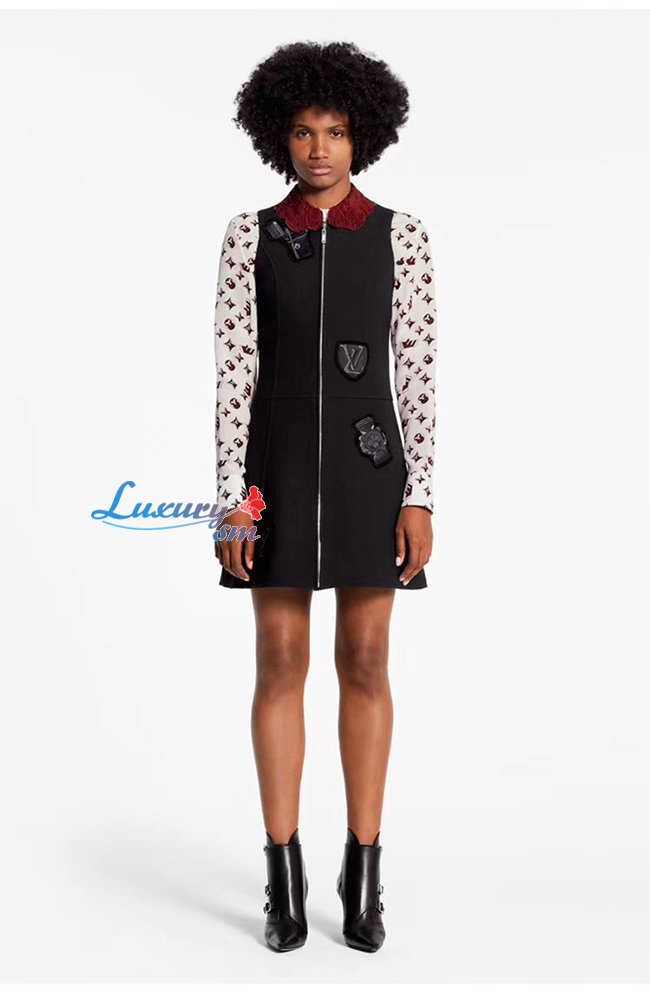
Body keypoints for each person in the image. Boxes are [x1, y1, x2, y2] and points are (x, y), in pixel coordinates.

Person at [213, 41, 437, 953]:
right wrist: (231, 498)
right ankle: (283, 873)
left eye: (336, 132)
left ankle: (364, 869)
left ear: (361, 137)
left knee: (368, 658)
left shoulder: (401, 236)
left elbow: (417, 373)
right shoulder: (249, 236)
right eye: (304, 132)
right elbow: (233, 375)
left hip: (369, 469)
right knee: (278, 659)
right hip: (274, 472)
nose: (319, 149)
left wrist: (421, 495)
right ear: (280, 136)